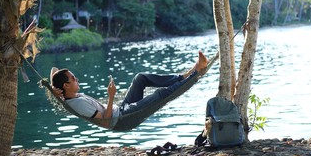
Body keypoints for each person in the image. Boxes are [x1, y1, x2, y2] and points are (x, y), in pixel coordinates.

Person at [50, 51, 208, 129]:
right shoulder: (78, 104)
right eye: (73, 78)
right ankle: (196, 73)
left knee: (141, 78)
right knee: (160, 95)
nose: (76, 79)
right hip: (122, 120)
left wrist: (53, 88)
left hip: (122, 109)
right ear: (66, 86)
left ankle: (185, 74)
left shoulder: (69, 95)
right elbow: (105, 120)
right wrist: (111, 96)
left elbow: (54, 72)